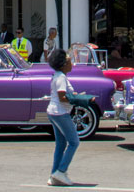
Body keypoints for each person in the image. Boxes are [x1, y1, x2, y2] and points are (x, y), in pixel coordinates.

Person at [46, 48, 80, 187]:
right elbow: (62, 97)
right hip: (60, 112)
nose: (72, 63)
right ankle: (61, 171)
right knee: (74, 142)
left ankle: (54, 175)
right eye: (69, 61)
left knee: (60, 144)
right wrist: (78, 99)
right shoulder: (61, 77)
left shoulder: (58, 76)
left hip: (53, 111)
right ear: (64, 64)